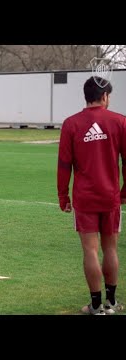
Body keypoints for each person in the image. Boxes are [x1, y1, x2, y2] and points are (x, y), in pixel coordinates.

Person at [57, 76, 126, 315]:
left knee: (90, 251)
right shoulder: (119, 121)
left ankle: (95, 306)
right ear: (105, 96)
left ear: (86, 96)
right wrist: (125, 190)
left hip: (84, 199)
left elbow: (64, 164)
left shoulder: (71, 124)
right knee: (111, 250)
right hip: (110, 197)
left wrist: (62, 196)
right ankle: (112, 302)